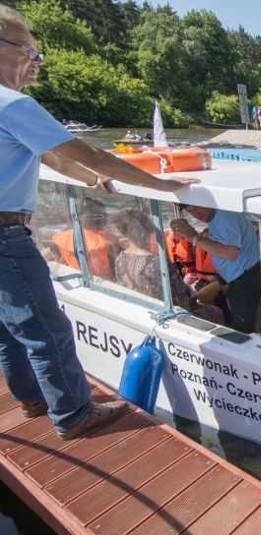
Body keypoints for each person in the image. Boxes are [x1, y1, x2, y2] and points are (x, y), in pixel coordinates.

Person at [0, 5, 194, 440]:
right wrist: (160, 186)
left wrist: (92, 180)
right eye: (29, 48)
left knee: (8, 327)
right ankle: (72, 414)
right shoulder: (12, 104)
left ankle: (33, 398)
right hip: (5, 234)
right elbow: (88, 152)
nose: (37, 59)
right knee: (45, 326)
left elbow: (50, 156)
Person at [170, 205, 261, 334]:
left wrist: (195, 238)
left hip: (244, 278)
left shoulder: (225, 217)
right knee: (222, 309)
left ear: (206, 201)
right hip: (232, 277)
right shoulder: (216, 216)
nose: (196, 213)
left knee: (243, 326)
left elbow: (230, 253)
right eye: (191, 211)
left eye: (197, 207)